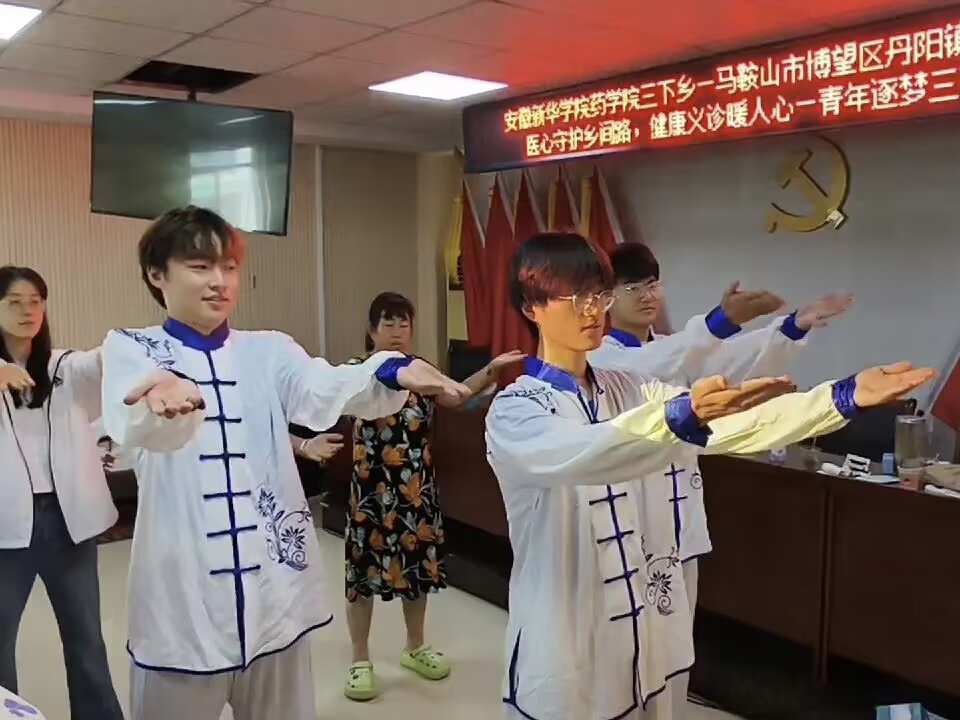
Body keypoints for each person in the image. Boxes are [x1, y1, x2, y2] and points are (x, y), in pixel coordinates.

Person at [484, 232, 934, 720]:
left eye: (599, 294)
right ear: (531, 307)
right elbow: (587, 453)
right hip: (565, 626)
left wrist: (840, 398)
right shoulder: (516, 410)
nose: (593, 309)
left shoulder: (630, 388)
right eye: (576, 297)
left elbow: (731, 426)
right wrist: (681, 417)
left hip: (639, 617)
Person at [99, 206, 470, 720]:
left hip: (273, 594)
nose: (219, 281)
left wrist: (390, 370)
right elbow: (132, 421)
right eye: (200, 266)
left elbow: (322, 386)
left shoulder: (268, 351)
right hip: (182, 600)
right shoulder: (133, 347)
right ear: (157, 275)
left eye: (229, 267)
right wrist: (158, 397)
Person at [589, 242, 855, 711]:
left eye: (653, 283)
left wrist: (793, 325)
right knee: (630, 643)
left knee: (676, 643)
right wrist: (719, 321)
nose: (647, 295)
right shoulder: (603, 359)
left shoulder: (673, 350)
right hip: (630, 523)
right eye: (632, 287)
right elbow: (657, 364)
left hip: (679, 520)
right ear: (607, 298)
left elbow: (730, 361)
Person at [343, 291, 523, 701]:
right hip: (371, 494)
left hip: (415, 493)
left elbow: (456, 395)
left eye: (404, 323)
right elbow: (341, 402)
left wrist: (491, 371)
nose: (397, 331)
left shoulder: (421, 372)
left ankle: (415, 646)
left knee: (416, 574)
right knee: (362, 578)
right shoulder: (356, 371)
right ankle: (359, 659)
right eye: (388, 323)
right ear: (371, 330)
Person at [0, 266, 123, 720]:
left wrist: (134, 348)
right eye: (14, 301)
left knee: (86, 636)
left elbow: (102, 362)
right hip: (5, 527)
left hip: (67, 522)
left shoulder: (63, 367)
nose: (27, 310)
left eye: (35, 300)